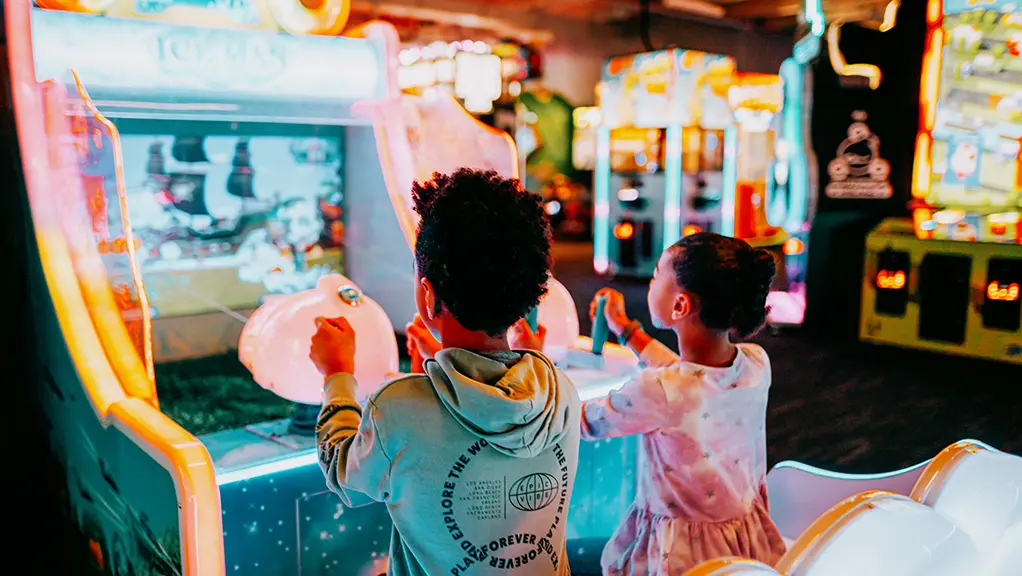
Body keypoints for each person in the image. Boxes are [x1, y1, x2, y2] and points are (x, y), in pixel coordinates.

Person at [309, 168, 580, 576]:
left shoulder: (397, 408)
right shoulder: (561, 392)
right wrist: (439, 361)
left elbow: (346, 477)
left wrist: (337, 375)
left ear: (428, 294)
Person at [585, 232, 786, 574]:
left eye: (655, 276)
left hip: (679, 557)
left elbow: (586, 422)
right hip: (744, 549)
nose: (650, 285)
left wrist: (531, 357)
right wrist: (626, 331)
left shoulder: (657, 390)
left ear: (681, 305)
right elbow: (688, 380)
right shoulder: (756, 363)